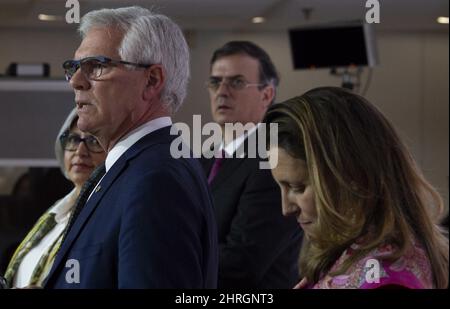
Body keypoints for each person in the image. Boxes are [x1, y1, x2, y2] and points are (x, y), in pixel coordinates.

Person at [44, 6, 218, 288]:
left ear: (151, 81)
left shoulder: (156, 180)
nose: (76, 82)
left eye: (96, 66)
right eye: (74, 68)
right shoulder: (131, 167)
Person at [264, 86, 449, 289]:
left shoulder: (385, 280)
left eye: (298, 187)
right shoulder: (354, 252)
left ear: (352, 178)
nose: (286, 209)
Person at [201, 41, 302, 288]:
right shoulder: (203, 159)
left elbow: (240, 264)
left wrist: (167, 256)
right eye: (215, 82)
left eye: (236, 82)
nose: (222, 92)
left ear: (266, 94)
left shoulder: (273, 160)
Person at [3, 109, 106, 288]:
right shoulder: (56, 212)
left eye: (94, 141)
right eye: (74, 139)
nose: (80, 151)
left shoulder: (107, 214)